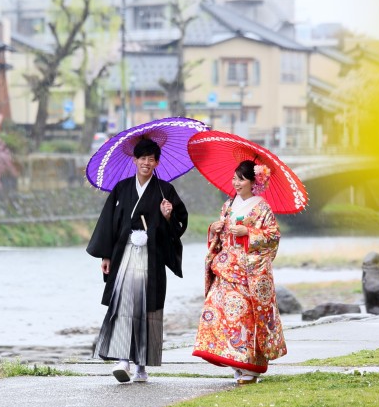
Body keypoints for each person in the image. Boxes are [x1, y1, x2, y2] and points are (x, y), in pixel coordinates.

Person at [87, 138, 188, 383]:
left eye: (151, 159)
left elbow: (179, 225)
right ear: (134, 160)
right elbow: (109, 224)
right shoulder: (121, 189)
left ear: (157, 162)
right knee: (123, 304)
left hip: (151, 257)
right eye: (142, 158)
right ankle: (123, 359)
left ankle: (142, 365)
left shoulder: (166, 191)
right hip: (126, 254)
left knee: (147, 309)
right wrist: (106, 254)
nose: (146, 162)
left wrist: (167, 216)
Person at [192, 160, 287, 385]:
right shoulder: (229, 205)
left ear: (254, 182)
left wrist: (249, 232)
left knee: (244, 315)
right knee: (217, 309)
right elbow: (223, 235)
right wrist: (215, 228)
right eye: (234, 178)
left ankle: (250, 366)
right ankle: (235, 360)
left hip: (249, 269)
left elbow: (273, 236)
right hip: (226, 266)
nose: (236, 183)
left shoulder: (262, 207)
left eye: (241, 179)